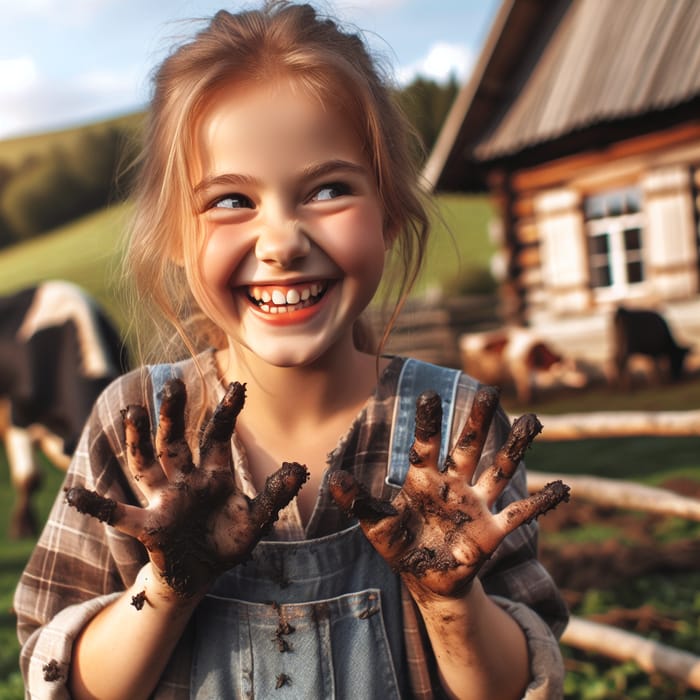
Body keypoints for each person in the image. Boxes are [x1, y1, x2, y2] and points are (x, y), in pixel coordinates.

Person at [14, 2, 570, 698]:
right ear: (177, 241)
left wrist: (450, 601)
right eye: (230, 201)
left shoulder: (456, 428)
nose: (280, 242)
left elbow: (511, 686)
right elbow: (67, 681)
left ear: (390, 210)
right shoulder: (137, 425)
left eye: (329, 190)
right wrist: (164, 588)